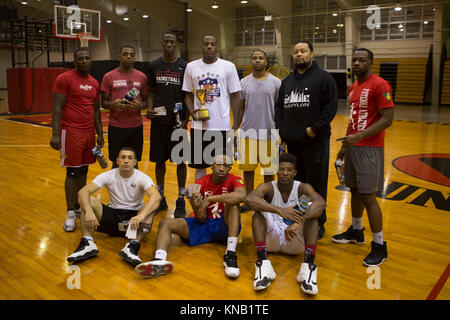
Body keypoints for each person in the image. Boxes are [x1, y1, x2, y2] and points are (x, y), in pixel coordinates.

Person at [134, 154, 246, 279]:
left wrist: (209, 199)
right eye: (218, 164)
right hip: (205, 225)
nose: (221, 168)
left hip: (225, 225)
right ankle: (159, 260)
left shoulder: (235, 179)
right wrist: (196, 206)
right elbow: (201, 218)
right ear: (212, 165)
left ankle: (230, 254)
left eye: (226, 166)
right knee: (166, 223)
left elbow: (241, 196)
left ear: (230, 169)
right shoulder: (200, 183)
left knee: (234, 203)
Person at [332, 48, 394, 267]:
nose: (357, 63)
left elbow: (388, 119)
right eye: (354, 60)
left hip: (369, 148)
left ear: (371, 62)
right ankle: (356, 231)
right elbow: (353, 117)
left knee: (369, 196)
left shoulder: (380, 85)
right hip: (353, 146)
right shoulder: (352, 87)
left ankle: (379, 245)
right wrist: (346, 145)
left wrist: (360, 136)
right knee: (355, 191)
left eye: (362, 60)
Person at [275, 41, 337, 239]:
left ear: (312, 53)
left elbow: (330, 108)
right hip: (292, 144)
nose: (299, 55)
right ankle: (299, 217)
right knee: (298, 184)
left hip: (314, 142)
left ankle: (318, 221)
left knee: (316, 185)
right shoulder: (287, 81)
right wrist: (280, 128)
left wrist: (313, 129)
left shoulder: (323, 78)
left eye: (303, 51)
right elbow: (279, 107)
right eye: (295, 52)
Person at [245, 153, 325, 295]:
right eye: (282, 169)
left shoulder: (303, 188)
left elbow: (321, 204)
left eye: (289, 170)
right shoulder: (268, 187)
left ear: (295, 172)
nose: (285, 173)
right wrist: (280, 211)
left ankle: (308, 266)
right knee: (257, 211)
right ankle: (263, 263)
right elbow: (249, 199)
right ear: (276, 170)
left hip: (293, 238)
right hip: (271, 237)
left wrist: (297, 221)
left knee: (311, 212)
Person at [67, 147, 161, 267]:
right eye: (123, 157)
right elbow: (82, 192)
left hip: (133, 222)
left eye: (130, 158)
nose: (126, 161)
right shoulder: (109, 175)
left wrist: (141, 215)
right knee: (89, 201)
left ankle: (132, 245)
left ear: (135, 162)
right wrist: (89, 211)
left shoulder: (142, 177)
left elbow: (156, 197)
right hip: (112, 217)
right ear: (117, 161)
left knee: (150, 207)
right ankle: (87, 243)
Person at [50, 47, 104, 232]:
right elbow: (57, 108)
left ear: (91, 61)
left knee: (83, 172)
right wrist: (56, 134)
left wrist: (100, 133)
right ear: (75, 61)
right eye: (80, 58)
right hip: (71, 132)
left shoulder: (94, 83)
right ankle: (70, 211)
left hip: (89, 133)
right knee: (72, 173)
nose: (84, 61)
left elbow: (96, 110)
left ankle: (81, 206)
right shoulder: (64, 79)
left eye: (87, 58)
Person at [182, 34, 242, 181]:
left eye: (212, 44)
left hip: (222, 125)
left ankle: (221, 199)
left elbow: (235, 96)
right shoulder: (191, 66)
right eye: (206, 44)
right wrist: (192, 114)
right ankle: (200, 197)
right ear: (201, 47)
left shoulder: (228, 66)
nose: (209, 47)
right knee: (199, 166)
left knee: (222, 165)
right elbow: (188, 95)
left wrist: (235, 126)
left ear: (217, 47)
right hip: (198, 125)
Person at [146, 31, 188, 217]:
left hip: (178, 123)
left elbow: (188, 94)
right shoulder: (153, 65)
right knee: (159, 161)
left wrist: (187, 118)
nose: (169, 44)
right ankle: (160, 196)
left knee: (180, 162)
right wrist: (148, 108)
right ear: (162, 43)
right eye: (166, 42)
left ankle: (180, 197)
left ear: (176, 44)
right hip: (159, 122)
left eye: (173, 42)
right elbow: (151, 92)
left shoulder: (184, 66)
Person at [236, 49, 281, 213]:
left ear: (266, 62)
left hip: (270, 133)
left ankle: (267, 200)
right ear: (251, 61)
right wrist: (236, 128)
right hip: (248, 133)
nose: (257, 60)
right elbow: (240, 108)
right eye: (254, 58)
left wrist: (280, 129)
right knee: (248, 171)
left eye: (261, 58)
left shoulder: (276, 82)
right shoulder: (243, 82)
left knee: (269, 171)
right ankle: (249, 200)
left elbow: (280, 108)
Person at [100, 45, 148, 169]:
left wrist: (140, 106)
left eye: (132, 55)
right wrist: (112, 104)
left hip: (135, 126)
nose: (128, 57)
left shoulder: (142, 77)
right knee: (116, 162)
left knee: (134, 162)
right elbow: (103, 102)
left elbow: (146, 101)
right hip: (116, 126)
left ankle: (132, 188)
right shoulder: (108, 76)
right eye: (125, 54)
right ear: (119, 57)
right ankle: (116, 189)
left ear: (135, 58)